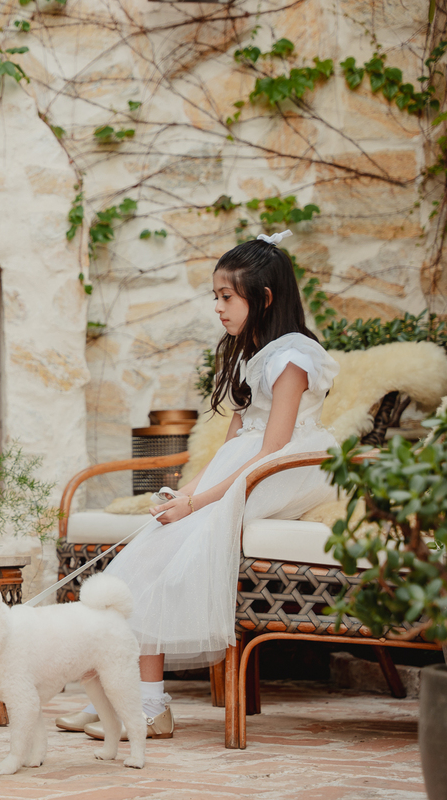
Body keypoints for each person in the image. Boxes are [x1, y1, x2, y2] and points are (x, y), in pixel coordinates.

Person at [60, 231, 341, 741]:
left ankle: (149, 706)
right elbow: (234, 440)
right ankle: (115, 697)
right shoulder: (250, 353)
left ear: (264, 298)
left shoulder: (293, 358)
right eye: (216, 296)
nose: (218, 307)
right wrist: (187, 491)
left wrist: (194, 506)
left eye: (226, 297)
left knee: (158, 558)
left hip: (283, 470)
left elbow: (272, 447)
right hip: (248, 466)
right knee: (137, 564)